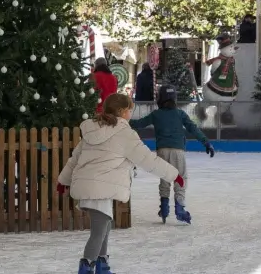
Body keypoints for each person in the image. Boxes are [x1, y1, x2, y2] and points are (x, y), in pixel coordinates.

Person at [58, 93, 181, 274]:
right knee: (99, 231)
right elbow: (148, 159)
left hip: (93, 185)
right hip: (101, 187)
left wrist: (63, 180)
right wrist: (174, 174)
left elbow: (74, 159)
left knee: (105, 225)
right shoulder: (125, 133)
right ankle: (86, 266)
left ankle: (102, 265)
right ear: (123, 111)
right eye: (130, 110)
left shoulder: (93, 131)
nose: (131, 114)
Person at [129, 84, 214, 224]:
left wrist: (122, 120)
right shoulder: (180, 114)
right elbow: (193, 128)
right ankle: (179, 208)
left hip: (162, 151)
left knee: (165, 177)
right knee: (180, 177)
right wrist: (206, 142)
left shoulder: (156, 114)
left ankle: (164, 207)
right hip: (178, 151)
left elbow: (139, 123)